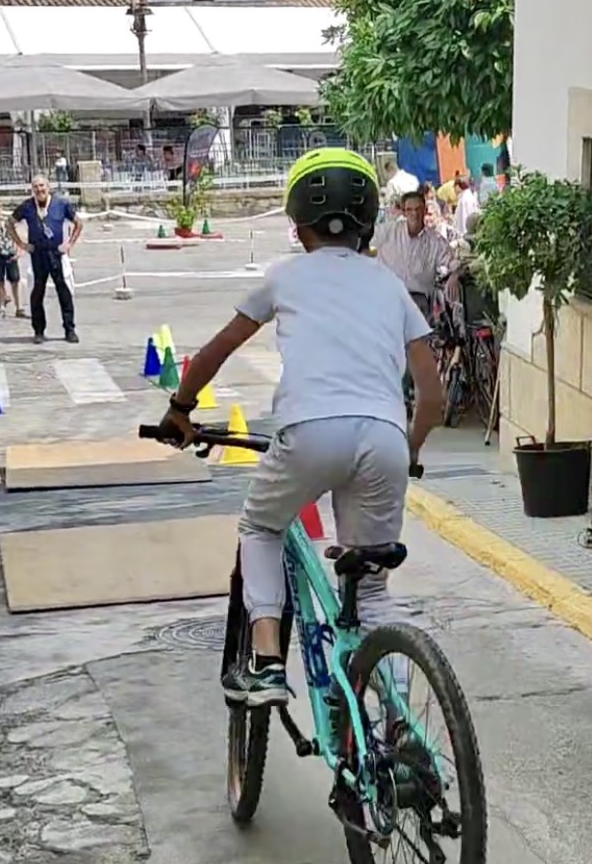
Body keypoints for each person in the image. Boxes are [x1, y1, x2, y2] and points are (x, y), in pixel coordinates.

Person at [155, 147, 445, 706]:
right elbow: (430, 396)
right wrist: (407, 450)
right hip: (384, 435)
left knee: (261, 529)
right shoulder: (389, 285)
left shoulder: (285, 277)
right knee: (374, 588)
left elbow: (216, 350)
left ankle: (266, 664)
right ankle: (400, 726)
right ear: (368, 220)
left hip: (309, 431)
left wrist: (180, 408)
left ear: (296, 220)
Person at [11, 173, 82, 344]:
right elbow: (9, 222)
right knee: (37, 294)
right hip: (37, 255)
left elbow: (78, 223)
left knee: (64, 292)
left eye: (42, 186)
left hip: (57, 254)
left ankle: (69, 329)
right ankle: (39, 330)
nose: (39, 189)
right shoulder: (27, 206)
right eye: (35, 187)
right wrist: (21, 244)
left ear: (48, 187)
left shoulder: (61, 204)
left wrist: (69, 244)